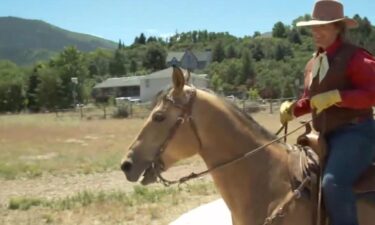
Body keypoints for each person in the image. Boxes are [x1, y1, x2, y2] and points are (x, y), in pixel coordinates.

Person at [279, 1, 375, 225]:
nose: (315, 32)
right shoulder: (313, 63)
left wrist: (338, 96)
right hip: (325, 136)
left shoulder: (356, 57)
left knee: (333, 183)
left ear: (337, 28)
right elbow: (311, 100)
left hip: (357, 133)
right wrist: (292, 110)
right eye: (313, 27)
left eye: (322, 26)